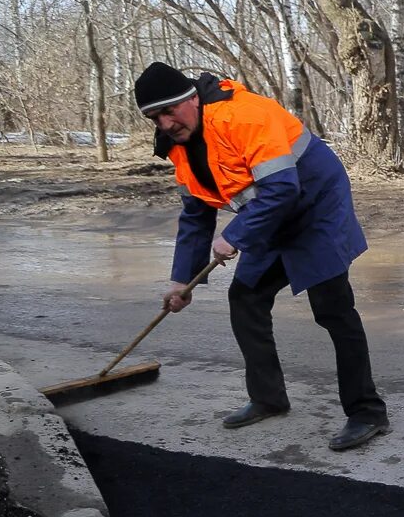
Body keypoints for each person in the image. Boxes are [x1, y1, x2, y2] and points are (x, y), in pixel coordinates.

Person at [133, 62, 390, 451]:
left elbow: (283, 189)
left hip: (314, 209)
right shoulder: (180, 148)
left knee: (332, 309)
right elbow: (195, 216)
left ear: (192, 98)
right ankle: (268, 397)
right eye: (156, 117)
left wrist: (234, 234)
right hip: (267, 216)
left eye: (170, 111)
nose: (166, 123)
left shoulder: (244, 116)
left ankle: (367, 412)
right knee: (246, 297)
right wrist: (182, 281)